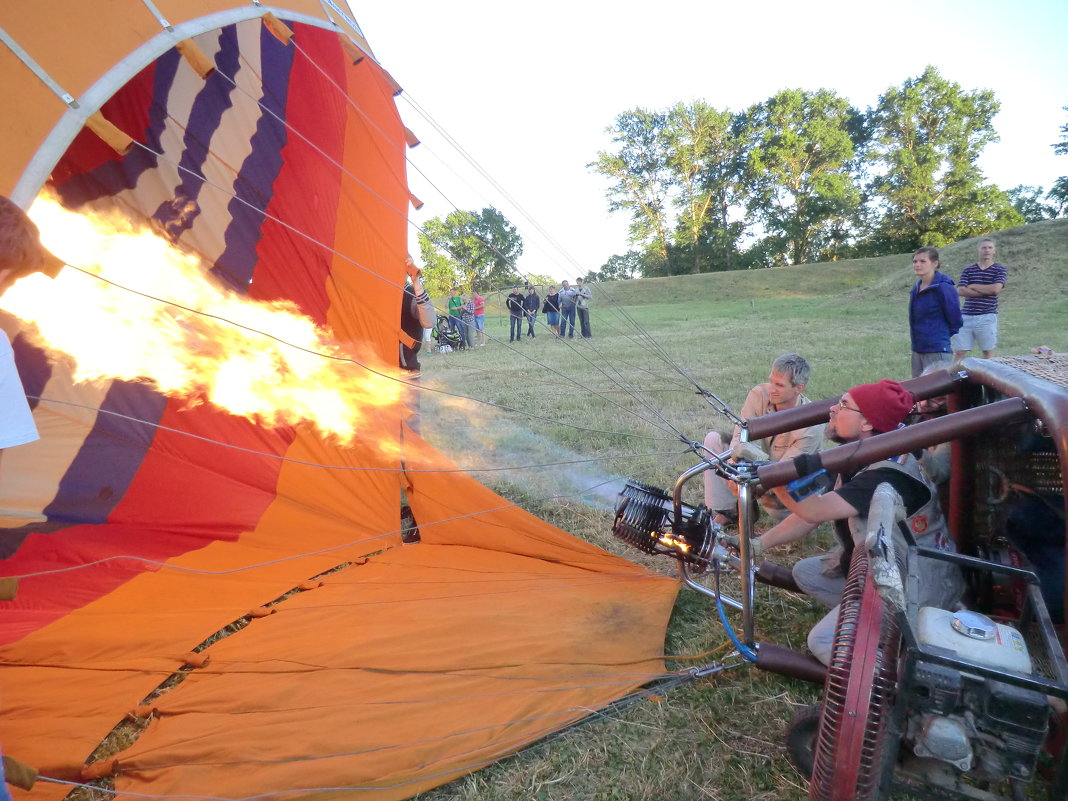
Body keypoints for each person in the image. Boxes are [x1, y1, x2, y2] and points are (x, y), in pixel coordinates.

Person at [748, 379, 961, 666]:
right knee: (807, 573)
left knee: (822, 641)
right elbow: (810, 517)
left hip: (914, 589)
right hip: (886, 570)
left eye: (844, 405)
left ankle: (900, 675)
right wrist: (760, 544)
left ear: (867, 424)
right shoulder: (867, 451)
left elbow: (813, 510)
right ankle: (869, 623)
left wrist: (770, 472)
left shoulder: (886, 474)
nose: (833, 409)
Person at [703, 354, 825, 525]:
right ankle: (731, 511)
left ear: (799, 388)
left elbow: (783, 471)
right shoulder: (759, 394)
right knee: (713, 440)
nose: (772, 389)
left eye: (780, 385)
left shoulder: (811, 425)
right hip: (763, 466)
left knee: (788, 518)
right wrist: (734, 469)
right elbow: (741, 436)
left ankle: (747, 506)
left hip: (787, 486)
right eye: (771, 382)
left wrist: (748, 484)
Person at [908, 246, 962, 378]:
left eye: (922, 261)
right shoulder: (916, 287)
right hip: (918, 349)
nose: (917, 265)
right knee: (918, 392)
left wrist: (939, 337)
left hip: (937, 350)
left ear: (935, 263)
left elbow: (956, 320)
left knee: (938, 394)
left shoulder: (943, 287)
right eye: (915, 261)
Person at [952, 237, 1007, 360]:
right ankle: (954, 378)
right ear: (978, 250)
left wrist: (973, 286)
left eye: (990, 247)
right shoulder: (968, 270)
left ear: (994, 250)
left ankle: (989, 379)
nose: (986, 250)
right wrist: (985, 291)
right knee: (959, 352)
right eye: (984, 247)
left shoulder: (999, 270)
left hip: (987, 316)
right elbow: (960, 290)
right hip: (966, 316)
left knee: (987, 353)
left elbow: (995, 289)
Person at [398, 257, 435, 430]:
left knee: (410, 423)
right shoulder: (372, 292)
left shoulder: (410, 294)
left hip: (405, 372)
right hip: (374, 369)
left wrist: (417, 283)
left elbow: (429, 321)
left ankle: (411, 457)